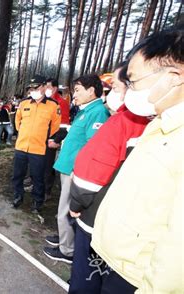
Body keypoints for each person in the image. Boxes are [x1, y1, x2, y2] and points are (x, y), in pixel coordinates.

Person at [91, 28, 183, 293]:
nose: (128, 90)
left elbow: (179, 251)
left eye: (132, 81)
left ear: (173, 77)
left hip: (137, 279)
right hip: (118, 262)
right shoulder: (160, 125)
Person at [66, 64, 151, 293]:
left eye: (113, 86)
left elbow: (91, 169)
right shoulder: (154, 125)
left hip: (97, 219)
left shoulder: (122, 122)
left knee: (87, 277)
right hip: (128, 231)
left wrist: (76, 204)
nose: (109, 92)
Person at [43, 74, 110, 264]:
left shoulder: (97, 113)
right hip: (67, 167)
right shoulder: (85, 111)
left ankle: (67, 250)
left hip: (75, 171)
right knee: (62, 206)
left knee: (66, 209)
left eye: (78, 90)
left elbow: (92, 146)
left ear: (91, 90)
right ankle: (64, 238)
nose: (75, 95)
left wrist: (78, 169)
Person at [11, 75, 61, 213]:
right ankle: (17, 196)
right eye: (31, 88)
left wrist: (47, 139)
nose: (33, 90)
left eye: (36, 87)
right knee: (17, 175)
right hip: (21, 146)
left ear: (44, 87)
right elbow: (17, 121)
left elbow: (55, 127)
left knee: (37, 177)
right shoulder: (24, 104)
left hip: (38, 149)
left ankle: (37, 202)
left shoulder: (53, 106)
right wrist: (23, 134)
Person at [43, 78, 70, 199]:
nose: (46, 89)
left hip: (52, 139)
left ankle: (47, 191)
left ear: (54, 88)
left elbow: (63, 125)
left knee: (48, 166)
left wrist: (56, 140)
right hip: (42, 137)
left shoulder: (61, 103)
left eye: (48, 87)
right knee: (41, 164)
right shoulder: (46, 101)